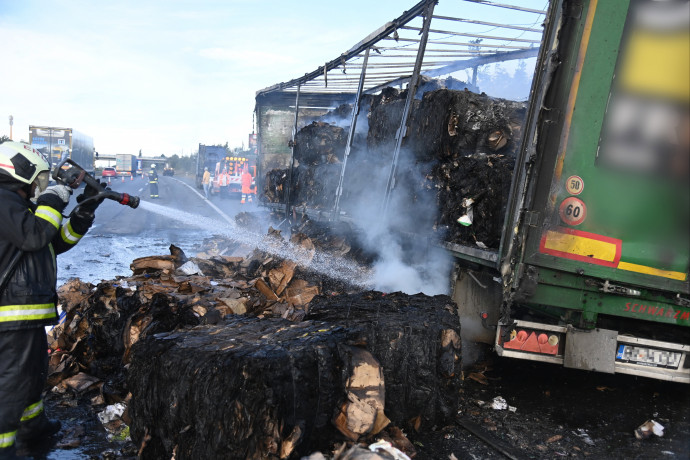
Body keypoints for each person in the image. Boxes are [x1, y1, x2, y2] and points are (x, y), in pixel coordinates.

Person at [0, 141, 103, 459]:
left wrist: (85, 209)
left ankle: (33, 427)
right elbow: (34, 235)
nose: (42, 186)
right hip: (10, 311)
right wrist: (53, 197)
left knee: (31, 373)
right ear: (21, 171)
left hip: (24, 312)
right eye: (40, 180)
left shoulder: (19, 205)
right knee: (12, 380)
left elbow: (53, 242)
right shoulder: (3, 200)